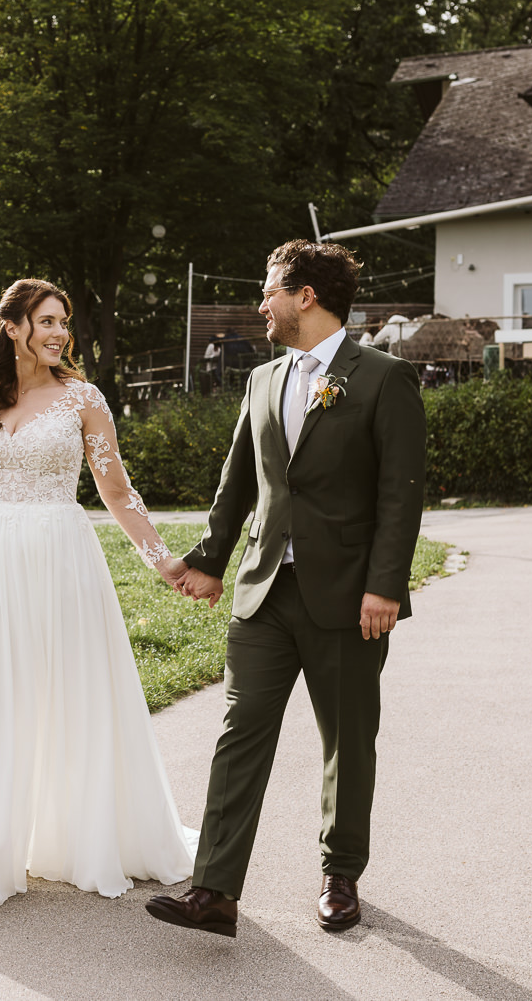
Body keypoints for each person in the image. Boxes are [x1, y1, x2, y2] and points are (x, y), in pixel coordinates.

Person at [0, 279, 197, 927]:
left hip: (60, 557)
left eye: (64, 322)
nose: (58, 332)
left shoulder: (84, 398)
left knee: (73, 696)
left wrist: (161, 558)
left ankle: (85, 837)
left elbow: (116, 490)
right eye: (45, 321)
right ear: (13, 326)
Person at [146, 239, 426, 938]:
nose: (260, 302)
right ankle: (213, 889)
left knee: (347, 739)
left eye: (268, 289)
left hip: (349, 597)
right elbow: (238, 482)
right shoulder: (262, 379)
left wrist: (385, 584)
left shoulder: (385, 378)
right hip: (264, 593)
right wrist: (210, 560)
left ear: (306, 296)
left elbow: (401, 494)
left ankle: (340, 873)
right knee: (241, 734)